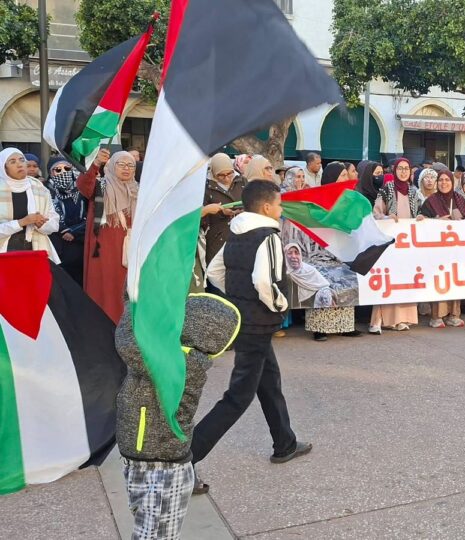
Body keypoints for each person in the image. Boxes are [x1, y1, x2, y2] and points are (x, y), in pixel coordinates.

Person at [193, 180, 312, 491]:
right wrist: (281, 305)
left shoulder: (236, 232)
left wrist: (237, 298)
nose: (282, 209)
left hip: (243, 320)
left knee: (269, 381)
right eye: (280, 204)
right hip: (258, 322)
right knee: (238, 396)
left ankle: (284, 442)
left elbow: (215, 271)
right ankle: (186, 458)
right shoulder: (268, 235)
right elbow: (264, 281)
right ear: (267, 207)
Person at [115, 293, 239, 540]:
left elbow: (128, 342)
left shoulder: (180, 364)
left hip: (162, 468)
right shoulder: (172, 354)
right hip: (144, 460)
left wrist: (136, 301)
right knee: (147, 530)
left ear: (195, 328)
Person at [77, 149, 136, 323]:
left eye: (130, 165)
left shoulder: (139, 189)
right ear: (111, 166)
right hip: (106, 248)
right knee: (107, 287)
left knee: (130, 288)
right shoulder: (100, 185)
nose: (126, 168)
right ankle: (105, 325)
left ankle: (128, 328)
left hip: (132, 247)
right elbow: (83, 185)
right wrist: (96, 164)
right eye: (121, 164)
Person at [371, 158, 420, 332]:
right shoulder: (387, 189)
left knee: (405, 279)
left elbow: (419, 212)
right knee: (388, 280)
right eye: (400, 168)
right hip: (390, 242)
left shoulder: (414, 191)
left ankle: (401, 319)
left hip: (408, 244)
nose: (404, 171)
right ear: (394, 170)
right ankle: (381, 320)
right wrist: (387, 218)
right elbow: (376, 213)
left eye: (407, 168)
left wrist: (420, 218)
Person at [419, 169, 465, 328]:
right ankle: (436, 316)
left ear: (452, 182)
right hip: (437, 251)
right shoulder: (430, 201)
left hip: (457, 250)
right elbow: (423, 222)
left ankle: (454, 315)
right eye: (441, 180)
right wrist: (434, 221)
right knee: (439, 281)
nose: (443, 183)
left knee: (455, 280)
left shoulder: (460, 200)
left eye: (447, 180)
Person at [0, 148, 60, 261]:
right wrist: (21, 222)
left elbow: (54, 224)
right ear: (4, 168)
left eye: (22, 160)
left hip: (35, 250)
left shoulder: (40, 188)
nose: (19, 165)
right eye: (12, 162)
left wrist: (41, 224)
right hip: (4, 252)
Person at [47, 157, 86, 284]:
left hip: (80, 242)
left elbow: (90, 215)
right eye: (57, 170)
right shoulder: (45, 191)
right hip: (58, 244)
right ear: (50, 173)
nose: (63, 172)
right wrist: (63, 230)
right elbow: (47, 214)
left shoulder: (83, 190)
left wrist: (73, 232)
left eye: (67, 168)